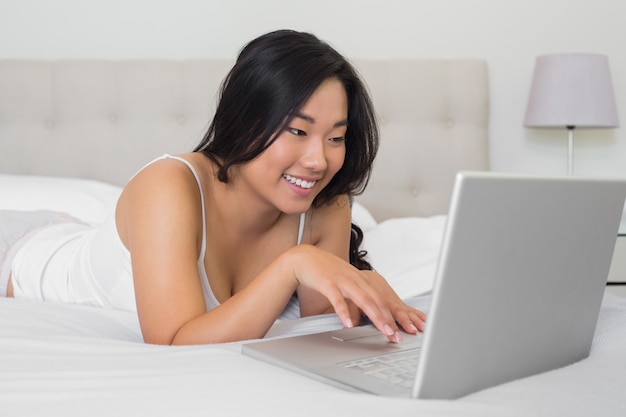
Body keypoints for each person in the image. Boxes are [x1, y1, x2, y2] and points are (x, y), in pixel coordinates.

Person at [1, 29, 426, 345]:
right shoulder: (168, 187)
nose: (318, 160)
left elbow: (321, 326)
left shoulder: (325, 205)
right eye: (298, 131)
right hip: (18, 250)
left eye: (335, 138)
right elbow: (173, 342)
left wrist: (366, 296)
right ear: (246, 121)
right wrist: (292, 264)